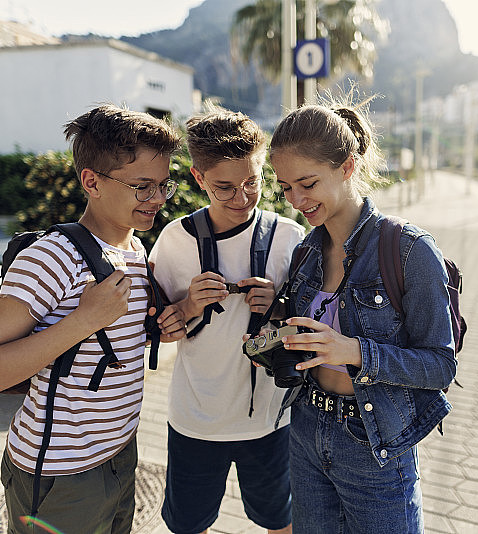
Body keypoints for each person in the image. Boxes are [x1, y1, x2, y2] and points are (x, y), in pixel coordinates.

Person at [0, 104, 185, 533]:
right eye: (142, 186)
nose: (157, 199)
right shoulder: (51, 258)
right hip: (59, 473)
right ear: (91, 182)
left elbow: (110, 352)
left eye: (163, 185)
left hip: (119, 453)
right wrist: (82, 321)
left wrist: (174, 318)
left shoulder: (135, 251)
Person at [267, 102, 457, 533]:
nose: (296, 200)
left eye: (308, 183)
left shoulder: (409, 250)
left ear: (347, 166)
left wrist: (354, 351)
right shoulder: (305, 253)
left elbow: (440, 366)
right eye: (284, 189)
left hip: (374, 443)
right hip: (306, 430)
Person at [148, 107, 304, 534]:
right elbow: (156, 329)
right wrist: (186, 308)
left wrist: (277, 307)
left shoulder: (289, 237)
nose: (242, 198)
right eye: (225, 188)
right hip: (195, 419)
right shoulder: (175, 240)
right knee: (187, 525)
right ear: (199, 179)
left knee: (281, 522)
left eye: (252, 182)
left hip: (271, 420)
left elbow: (314, 325)